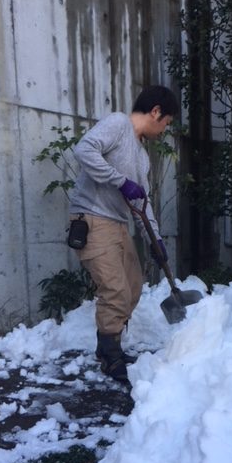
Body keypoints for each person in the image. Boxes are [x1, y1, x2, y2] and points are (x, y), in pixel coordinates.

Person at [69, 85, 179, 383]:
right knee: (115, 290)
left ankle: (109, 346)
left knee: (131, 287)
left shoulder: (141, 157)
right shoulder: (118, 123)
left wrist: (154, 239)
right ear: (156, 112)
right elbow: (84, 149)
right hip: (92, 218)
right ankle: (110, 358)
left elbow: (141, 204)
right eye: (166, 122)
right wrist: (120, 181)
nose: (164, 129)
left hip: (118, 224)